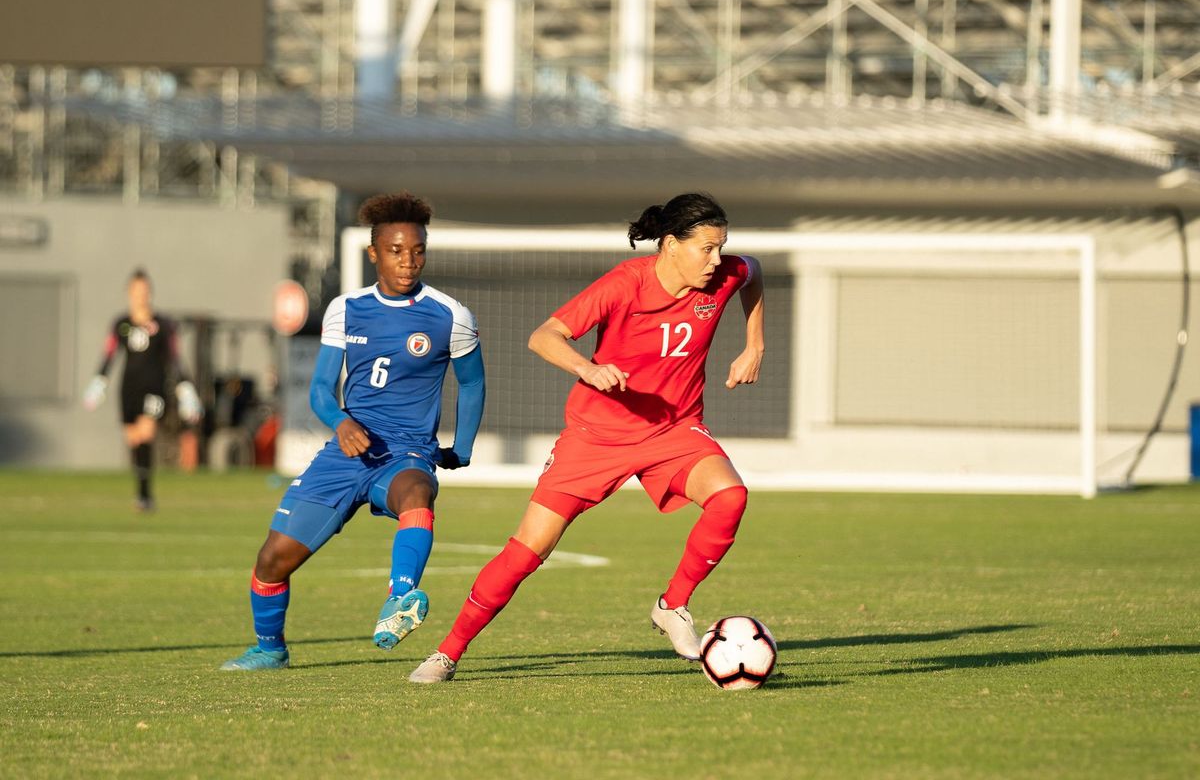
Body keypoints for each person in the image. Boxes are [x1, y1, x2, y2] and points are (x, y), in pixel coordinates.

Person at [409, 192, 764, 683]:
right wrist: (587, 368)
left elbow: (754, 271)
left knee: (730, 497)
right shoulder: (624, 284)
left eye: (721, 247)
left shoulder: (722, 277)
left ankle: (673, 605)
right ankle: (447, 652)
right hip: (596, 437)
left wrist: (754, 343)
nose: (717, 259)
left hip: (674, 430)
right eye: (706, 248)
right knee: (526, 552)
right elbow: (544, 336)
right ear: (669, 245)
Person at [221, 191, 486, 671]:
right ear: (374, 253)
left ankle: (400, 598)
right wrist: (341, 422)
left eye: (418, 250)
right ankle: (269, 648)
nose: (409, 262)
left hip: (406, 452)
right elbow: (321, 390)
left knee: (417, 494)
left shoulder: (451, 316)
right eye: (396, 251)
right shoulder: (346, 309)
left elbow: (473, 383)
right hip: (346, 454)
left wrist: (461, 448)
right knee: (271, 561)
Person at [83, 269, 203, 511]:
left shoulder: (163, 325)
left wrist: (186, 390)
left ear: (151, 293)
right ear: (130, 293)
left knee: (146, 435)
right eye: (137, 291)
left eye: (145, 291)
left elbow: (175, 359)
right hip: (128, 389)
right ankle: (141, 491)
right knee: (134, 440)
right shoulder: (121, 324)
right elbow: (109, 355)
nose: (141, 296)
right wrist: (99, 383)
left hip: (154, 388)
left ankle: (145, 497)